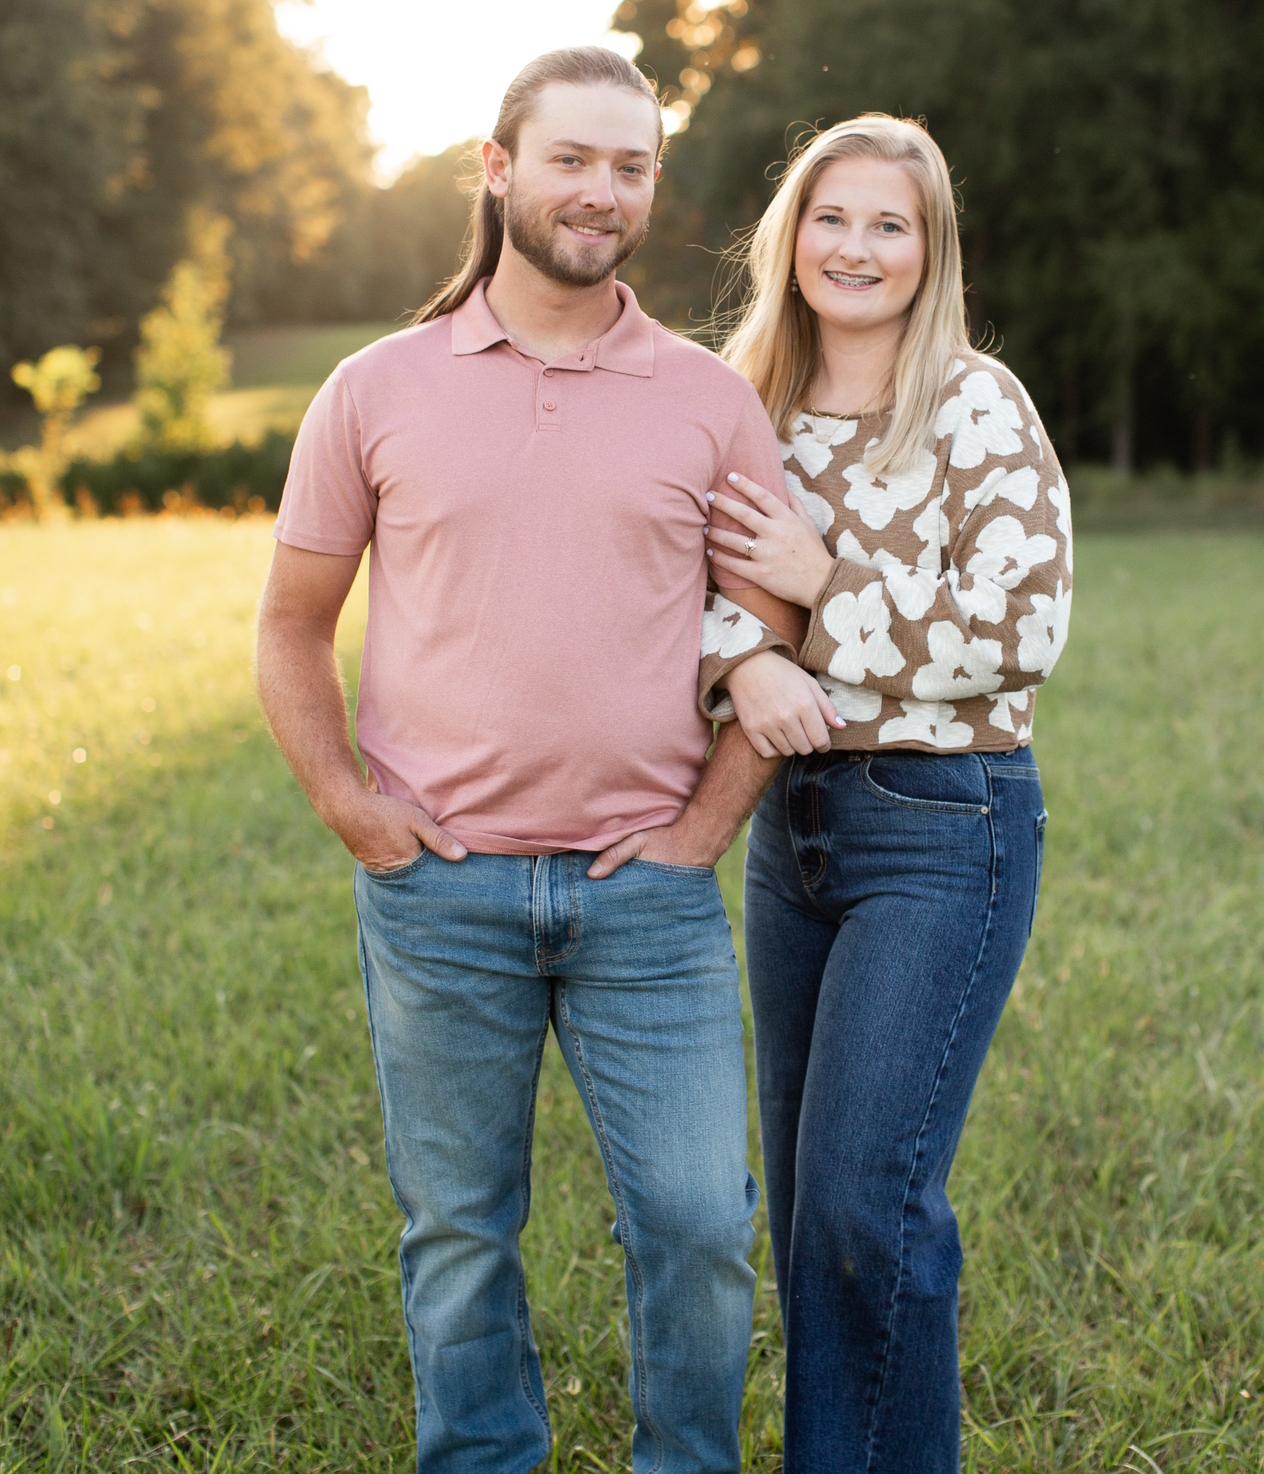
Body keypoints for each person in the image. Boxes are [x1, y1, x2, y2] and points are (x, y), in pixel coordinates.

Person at [255, 47, 837, 1474]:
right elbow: (289, 625)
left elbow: (774, 635)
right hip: (438, 891)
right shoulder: (375, 388)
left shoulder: (708, 401)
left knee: (700, 1222)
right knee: (458, 1229)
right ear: (499, 167)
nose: (602, 190)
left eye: (630, 165)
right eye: (571, 157)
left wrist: (704, 829)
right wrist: (350, 806)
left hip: (647, 899)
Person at [699, 115, 1074, 1471]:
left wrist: (819, 583)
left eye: (888, 224)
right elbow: (678, 601)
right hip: (786, 829)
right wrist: (742, 663)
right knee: (812, 1212)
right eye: (830, 217)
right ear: (789, 235)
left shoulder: (975, 401)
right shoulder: (736, 404)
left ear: (929, 253)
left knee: (870, 1198)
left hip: (940, 826)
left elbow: (1017, 630)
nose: (854, 246)